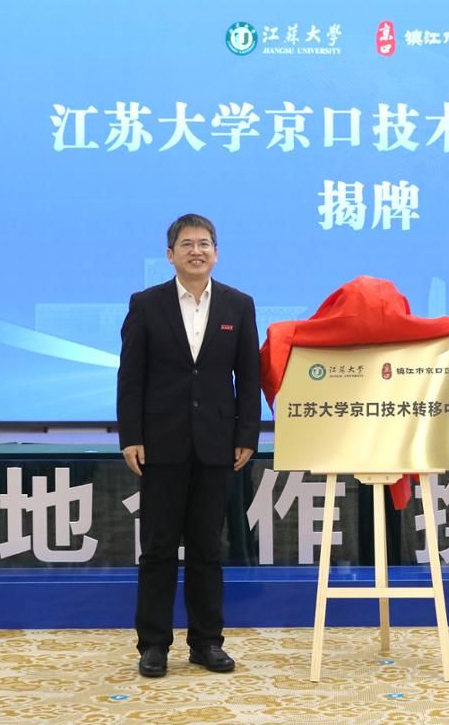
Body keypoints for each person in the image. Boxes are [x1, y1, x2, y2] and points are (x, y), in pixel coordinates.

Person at [117, 213, 260, 678]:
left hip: (217, 445)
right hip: (160, 444)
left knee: (207, 548)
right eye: (186, 244)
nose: (196, 251)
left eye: (204, 244)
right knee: (158, 549)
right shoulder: (147, 304)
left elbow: (249, 377)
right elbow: (131, 376)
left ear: (216, 252)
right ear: (170, 254)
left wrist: (247, 435)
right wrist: (131, 436)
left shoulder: (239, 305)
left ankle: (207, 642)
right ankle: (153, 645)